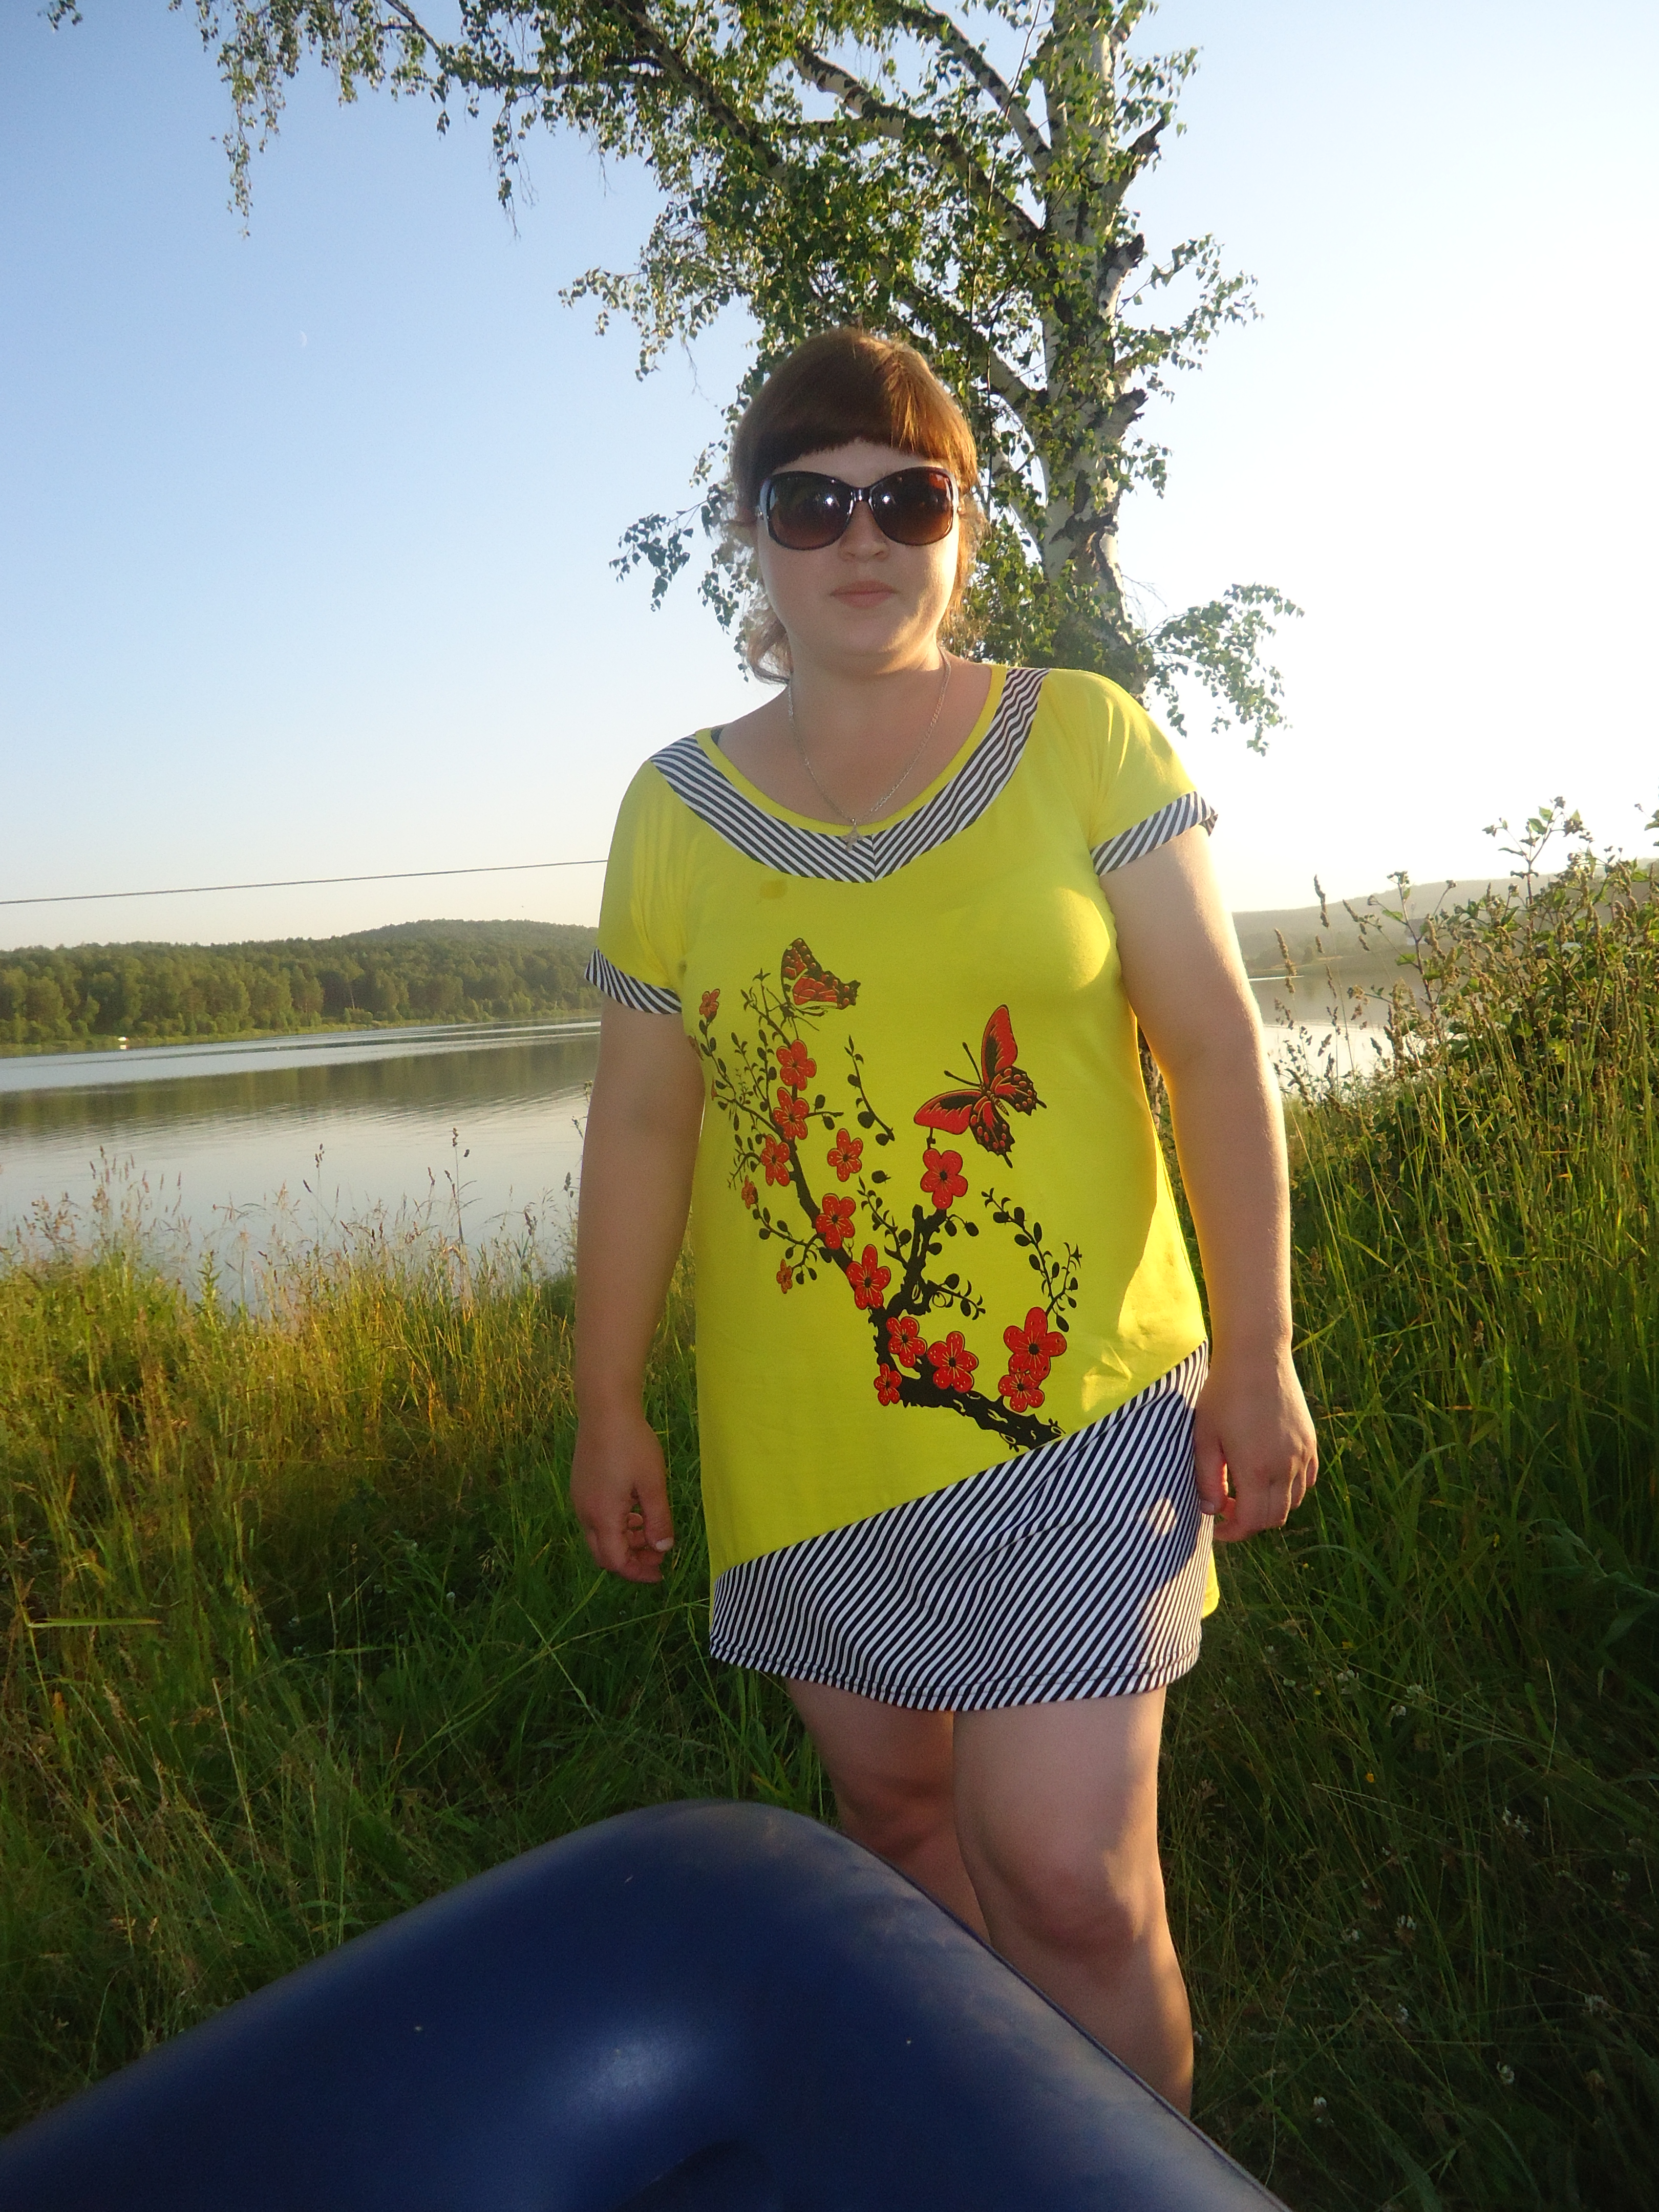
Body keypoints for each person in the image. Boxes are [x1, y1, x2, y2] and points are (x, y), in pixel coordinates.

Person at [571, 327, 1317, 2113]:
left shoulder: (1082, 737)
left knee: (1066, 1880)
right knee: (904, 1831)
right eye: (810, 502)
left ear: (965, 527)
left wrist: (1263, 1349)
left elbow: (1215, 1047)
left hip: (1085, 1412)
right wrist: (606, 1399)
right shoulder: (673, 812)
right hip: (808, 1447)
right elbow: (645, 1123)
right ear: (752, 536)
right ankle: (1001, 2150)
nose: (863, 537)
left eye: (910, 498)